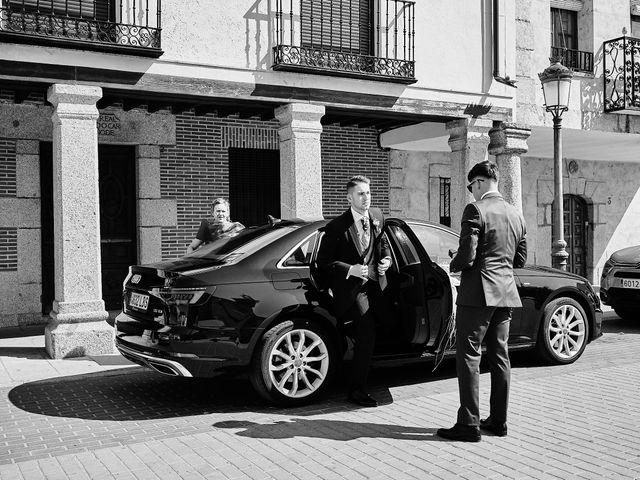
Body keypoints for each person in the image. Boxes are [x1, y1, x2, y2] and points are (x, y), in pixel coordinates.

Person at [437, 161, 527, 442]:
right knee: (500, 356)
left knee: (469, 356)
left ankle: (469, 423)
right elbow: (520, 259)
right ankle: (499, 421)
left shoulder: (475, 210)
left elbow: (468, 255)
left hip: (477, 293)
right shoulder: (515, 214)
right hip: (506, 293)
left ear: (478, 182)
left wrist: (452, 263)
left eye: (470, 186)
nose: (471, 192)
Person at [316, 175, 392, 407]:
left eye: (368, 193)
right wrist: (350, 269)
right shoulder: (337, 227)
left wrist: (386, 259)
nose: (366, 198)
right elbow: (323, 262)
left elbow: (383, 245)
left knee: (389, 325)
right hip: (353, 290)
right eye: (361, 194)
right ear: (349, 198)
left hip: (377, 285)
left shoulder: (377, 217)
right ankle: (356, 390)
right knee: (367, 333)